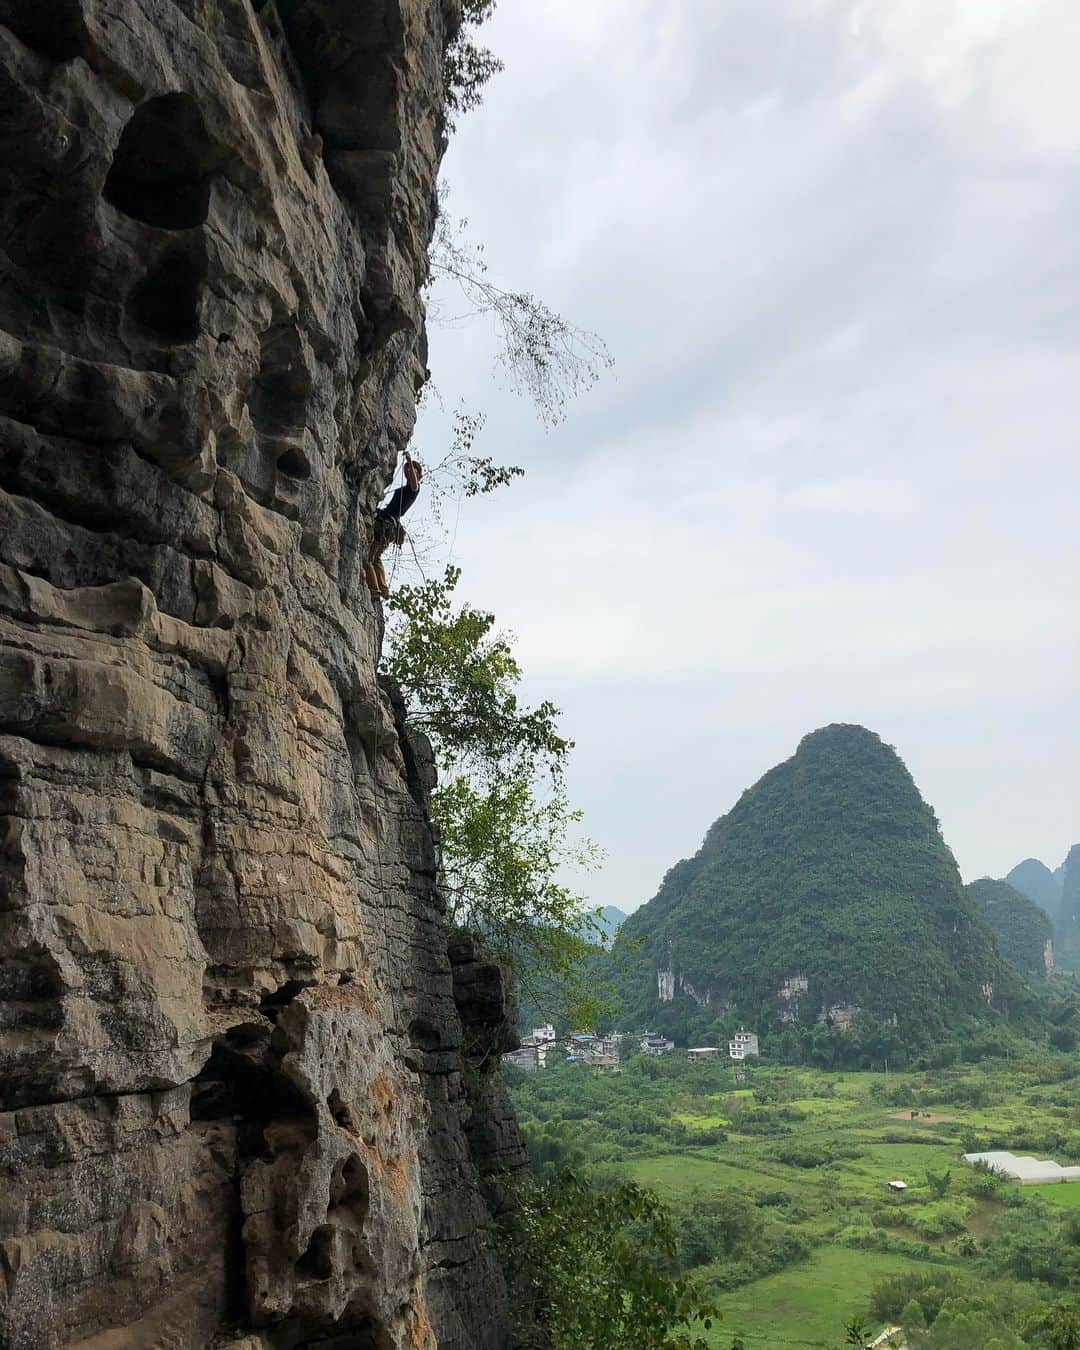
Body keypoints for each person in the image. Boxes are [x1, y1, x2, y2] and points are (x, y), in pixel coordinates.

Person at [365, 450, 423, 599]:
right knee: (376, 557)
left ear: (418, 473)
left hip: (386, 524)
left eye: (412, 470)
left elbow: (413, 480)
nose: (408, 471)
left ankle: (374, 590)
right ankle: (383, 589)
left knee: (369, 559)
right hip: (389, 525)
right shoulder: (408, 490)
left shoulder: (413, 490)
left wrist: (409, 461)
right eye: (406, 470)